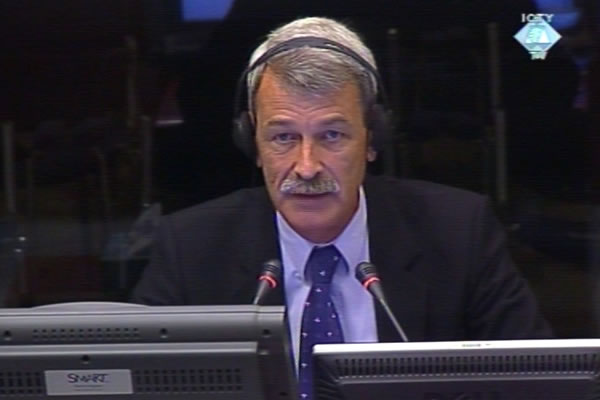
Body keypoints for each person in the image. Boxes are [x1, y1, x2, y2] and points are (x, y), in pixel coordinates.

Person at [131, 16, 552, 399]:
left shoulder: (459, 232)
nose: (307, 166)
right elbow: (138, 384)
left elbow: (537, 383)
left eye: (332, 135)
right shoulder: (191, 250)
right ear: (253, 144)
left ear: (372, 141)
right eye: (283, 138)